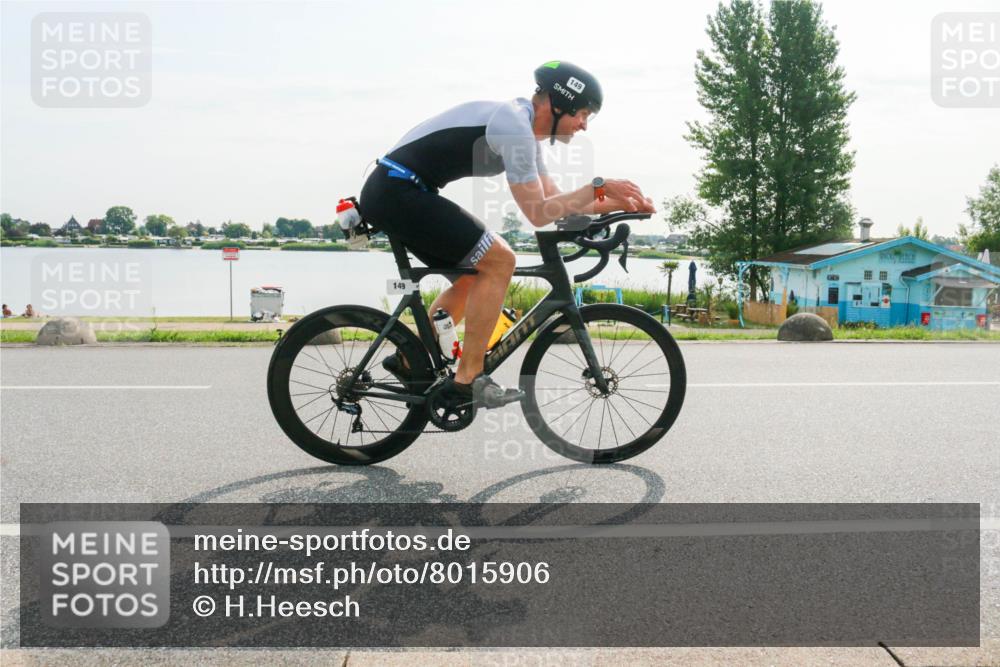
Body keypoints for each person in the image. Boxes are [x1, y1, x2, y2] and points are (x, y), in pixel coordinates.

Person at [359, 60, 655, 407]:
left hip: (402, 190)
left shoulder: (525, 134)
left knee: (473, 277)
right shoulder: (514, 128)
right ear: (560, 104)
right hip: (398, 190)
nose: (584, 126)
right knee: (500, 260)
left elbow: (556, 203)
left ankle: (411, 359)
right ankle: (469, 378)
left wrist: (622, 204)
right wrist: (598, 187)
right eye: (584, 114)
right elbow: (537, 212)